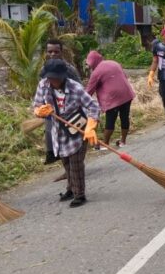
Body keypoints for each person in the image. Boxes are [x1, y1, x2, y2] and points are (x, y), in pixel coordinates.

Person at [33, 59, 101, 208]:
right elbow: (36, 105)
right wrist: (40, 111)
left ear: (63, 76)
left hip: (77, 128)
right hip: (59, 131)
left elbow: (93, 107)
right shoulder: (43, 86)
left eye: (55, 77)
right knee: (66, 163)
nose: (52, 80)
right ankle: (71, 189)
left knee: (76, 163)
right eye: (49, 77)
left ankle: (79, 194)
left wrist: (91, 126)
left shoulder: (75, 88)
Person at [40, 39, 81, 165]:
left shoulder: (69, 70)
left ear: (61, 52)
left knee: (72, 139)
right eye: (50, 52)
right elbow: (41, 89)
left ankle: (73, 169)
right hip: (51, 111)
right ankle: (66, 168)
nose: (52, 54)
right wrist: (41, 107)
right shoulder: (44, 69)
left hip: (69, 112)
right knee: (54, 139)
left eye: (56, 52)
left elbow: (80, 90)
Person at [85, 50, 136, 147]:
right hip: (127, 93)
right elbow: (124, 76)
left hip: (113, 98)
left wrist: (80, 103)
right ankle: (123, 141)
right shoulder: (114, 63)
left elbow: (88, 91)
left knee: (110, 120)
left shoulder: (96, 72)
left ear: (92, 62)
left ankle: (105, 144)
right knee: (124, 117)